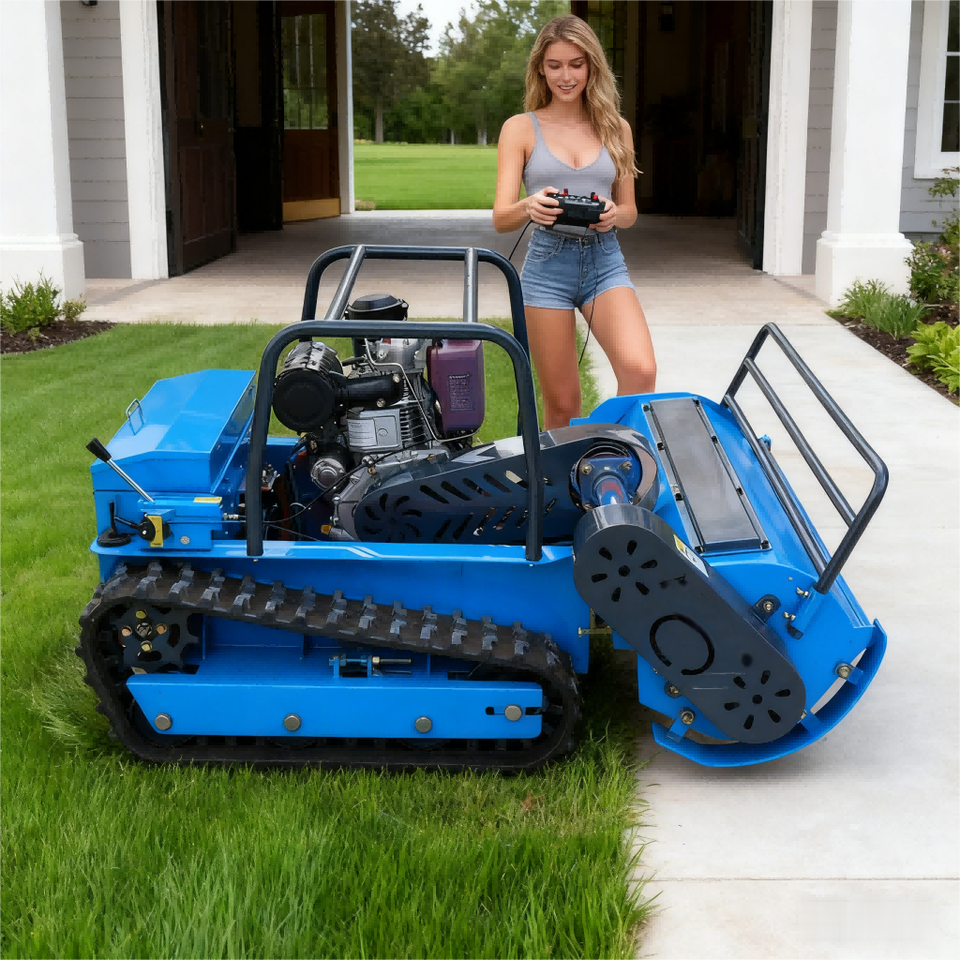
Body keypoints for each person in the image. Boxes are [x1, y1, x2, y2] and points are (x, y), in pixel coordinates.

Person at [493, 15, 656, 430]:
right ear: (540, 69)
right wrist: (530, 206)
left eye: (576, 64)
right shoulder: (520, 129)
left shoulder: (616, 128)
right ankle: (566, 474)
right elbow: (501, 218)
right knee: (564, 405)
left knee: (640, 372)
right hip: (547, 267)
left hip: (605, 261)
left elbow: (630, 211)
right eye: (555, 65)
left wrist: (613, 215)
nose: (566, 76)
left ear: (591, 66)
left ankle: (613, 458)